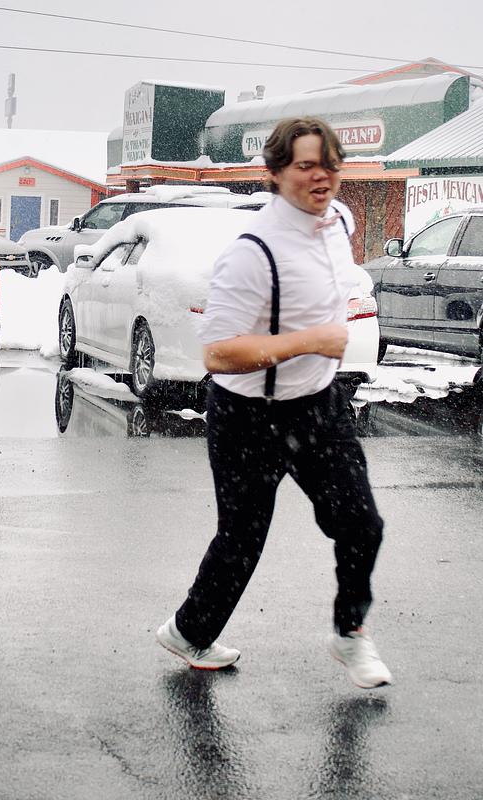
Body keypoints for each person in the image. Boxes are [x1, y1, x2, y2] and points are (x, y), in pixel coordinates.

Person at [154, 117, 392, 689]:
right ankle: (188, 632)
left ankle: (350, 632)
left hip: (317, 405)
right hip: (248, 416)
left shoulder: (337, 221)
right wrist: (309, 341)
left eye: (330, 165)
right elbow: (218, 353)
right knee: (242, 538)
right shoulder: (252, 252)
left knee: (361, 523)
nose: (321, 177)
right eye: (306, 166)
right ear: (276, 172)